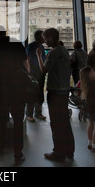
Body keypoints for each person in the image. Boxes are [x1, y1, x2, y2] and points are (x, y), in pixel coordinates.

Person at [0, 25, 28, 165]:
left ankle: (0, 146)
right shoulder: (16, 42)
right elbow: (26, 63)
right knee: (18, 120)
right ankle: (18, 153)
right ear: (5, 32)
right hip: (18, 87)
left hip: (2, 89)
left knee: (1, 119)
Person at [37, 28, 75, 162]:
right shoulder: (64, 50)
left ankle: (58, 152)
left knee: (56, 123)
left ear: (51, 37)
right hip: (64, 91)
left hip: (55, 92)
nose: (45, 41)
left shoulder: (52, 53)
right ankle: (69, 150)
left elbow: (44, 70)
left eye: (46, 38)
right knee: (64, 122)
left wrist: (38, 56)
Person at [25, 30, 46, 122]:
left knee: (40, 93)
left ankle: (38, 113)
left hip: (40, 73)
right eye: (43, 36)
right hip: (33, 73)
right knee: (31, 93)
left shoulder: (41, 46)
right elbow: (28, 59)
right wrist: (29, 72)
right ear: (39, 37)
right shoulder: (31, 46)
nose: (44, 38)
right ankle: (29, 114)